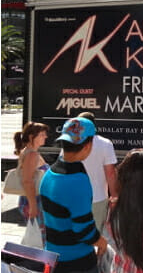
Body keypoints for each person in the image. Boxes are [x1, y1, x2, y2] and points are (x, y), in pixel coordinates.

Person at [40, 117, 107, 273]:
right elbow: (84, 230)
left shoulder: (49, 174)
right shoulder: (77, 181)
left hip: (52, 257)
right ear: (88, 145)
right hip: (77, 262)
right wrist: (101, 242)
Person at [77, 111, 118, 232]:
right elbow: (110, 173)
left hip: (75, 197)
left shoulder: (72, 143)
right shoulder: (105, 144)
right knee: (96, 234)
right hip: (98, 198)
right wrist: (115, 196)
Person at [13, 121, 50, 244]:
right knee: (39, 239)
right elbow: (27, 181)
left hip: (32, 200)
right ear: (31, 137)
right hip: (34, 201)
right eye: (42, 134)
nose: (46, 137)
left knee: (36, 238)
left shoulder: (30, 152)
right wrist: (33, 206)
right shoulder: (32, 154)